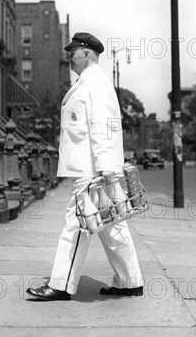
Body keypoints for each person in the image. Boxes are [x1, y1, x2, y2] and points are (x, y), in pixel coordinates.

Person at [26, 32, 144, 301]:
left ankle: (60, 284)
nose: (69, 56)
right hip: (95, 167)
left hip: (92, 169)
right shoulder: (90, 82)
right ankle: (130, 281)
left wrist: (104, 167)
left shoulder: (95, 83)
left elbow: (104, 126)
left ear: (88, 54)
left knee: (77, 222)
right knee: (113, 224)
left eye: (74, 52)